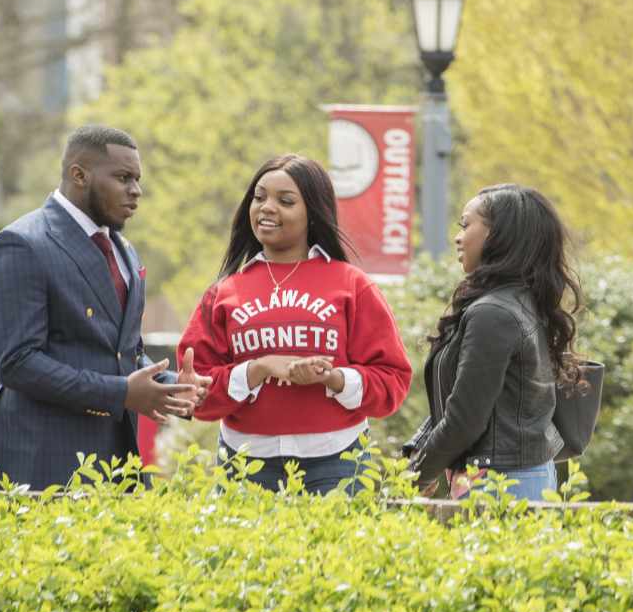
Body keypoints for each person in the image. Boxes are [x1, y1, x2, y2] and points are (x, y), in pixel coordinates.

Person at [0, 125, 206, 489]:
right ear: (78, 175)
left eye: (138, 179)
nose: (136, 190)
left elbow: (124, 353)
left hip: (117, 462)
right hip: (43, 462)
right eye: (123, 177)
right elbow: (16, 362)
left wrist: (169, 385)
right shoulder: (21, 244)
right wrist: (121, 393)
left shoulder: (125, 251)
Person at [179, 154, 412, 495]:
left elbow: (392, 382)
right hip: (244, 465)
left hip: (336, 461)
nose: (267, 208)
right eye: (259, 198)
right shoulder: (223, 293)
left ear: (313, 213)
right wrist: (257, 369)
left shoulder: (353, 285)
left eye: (285, 201)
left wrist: (333, 378)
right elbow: (198, 395)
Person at [406, 184, 582, 501]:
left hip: (502, 482)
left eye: (466, 225)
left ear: (499, 235)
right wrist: (423, 451)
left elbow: (465, 420)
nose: (458, 237)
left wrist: (412, 477)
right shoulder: (514, 302)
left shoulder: (493, 313)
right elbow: (465, 398)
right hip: (510, 475)